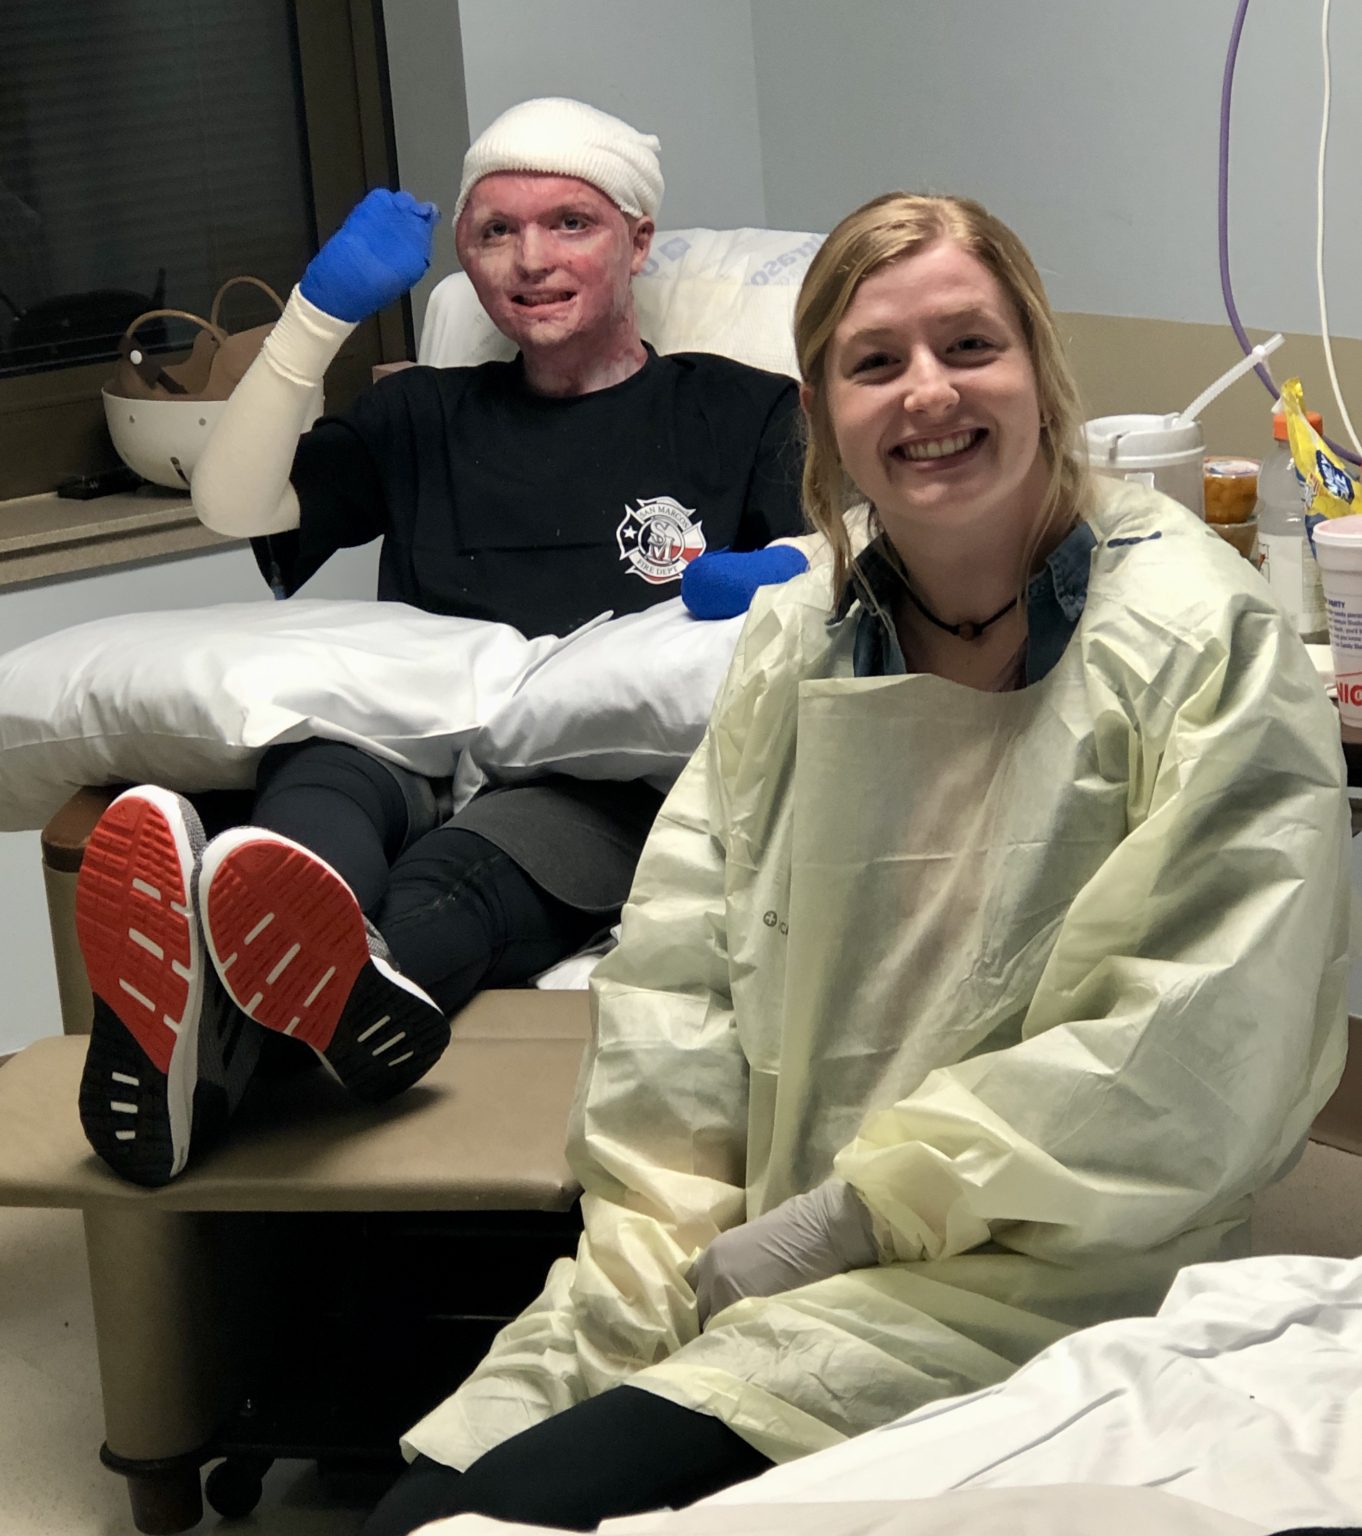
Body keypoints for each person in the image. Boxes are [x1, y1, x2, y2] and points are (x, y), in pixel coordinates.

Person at [358, 191, 1352, 1536]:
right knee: (427, 1509)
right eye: (874, 363)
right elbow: (681, 981)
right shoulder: (798, 639)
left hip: (1033, 1265)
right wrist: (660, 1235)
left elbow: (1186, 1048)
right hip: (753, 1231)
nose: (928, 393)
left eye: (969, 345)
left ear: (1042, 369)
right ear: (822, 415)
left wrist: (864, 1215)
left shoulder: (1195, 640)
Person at [74, 98, 807, 1188]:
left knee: (448, 885)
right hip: (399, 734)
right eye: (495, 231)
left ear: (639, 240)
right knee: (305, 812)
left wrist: (784, 569)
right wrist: (316, 316)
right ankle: (249, 970)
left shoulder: (740, 412)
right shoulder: (420, 416)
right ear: (462, 251)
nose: (530, 261)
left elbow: (852, 561)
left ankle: (216, 1032)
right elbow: (234, 504)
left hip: (586, 779)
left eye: (570, 224)